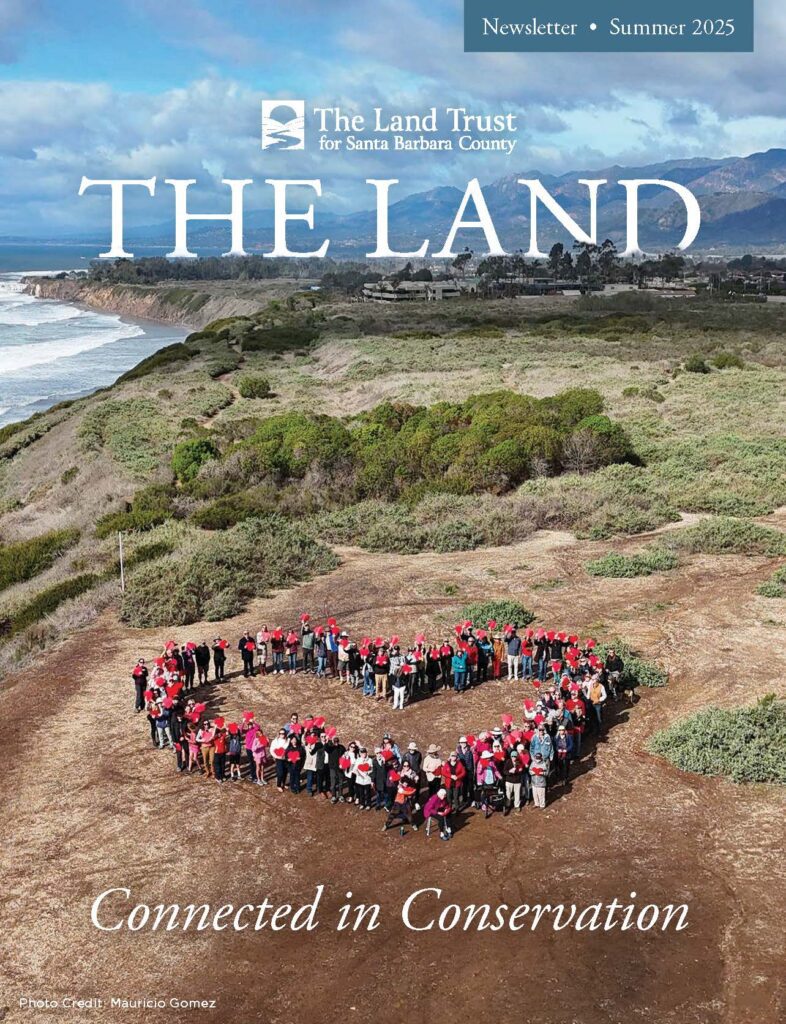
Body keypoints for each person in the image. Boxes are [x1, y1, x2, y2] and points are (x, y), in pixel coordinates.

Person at [476, 750, 501, 818]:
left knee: (490, 793)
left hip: (491, 780)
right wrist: (483, 766)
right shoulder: (480, 762)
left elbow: (495, 770)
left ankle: (490, 803)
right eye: (487, 758)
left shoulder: (492, 762)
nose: (489, 758)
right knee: (484, 793)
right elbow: (478, 772)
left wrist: (499, 776)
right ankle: (484, 804)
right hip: (484, 781)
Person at [502, 747, 525, 814]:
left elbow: (522, 770)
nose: (514, 757)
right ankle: (508, 805)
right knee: (508, 794)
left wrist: (520, 770)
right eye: (512, 756)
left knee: (517, 794)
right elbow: (504, 771)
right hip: (509, 780)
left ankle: (517, 805)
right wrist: (509, 771)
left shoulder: (519, 762)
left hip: (517, 781)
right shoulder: (508, 762)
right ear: (511, 756)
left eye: (515, 756)